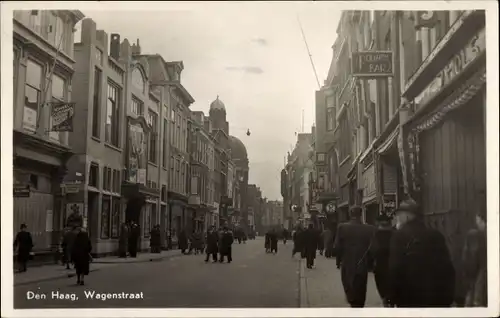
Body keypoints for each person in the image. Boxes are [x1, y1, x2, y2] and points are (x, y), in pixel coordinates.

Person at [387, 199, 455, 307]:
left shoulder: (398, 237)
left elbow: (395, 268)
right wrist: (448, 296)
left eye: (399, 215)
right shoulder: (436, 235)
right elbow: (447, 267)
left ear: (407, 216)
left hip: (408, 298)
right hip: (436, 297)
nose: (397, 218)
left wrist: (391, 297)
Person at [334, 206, 376, 308]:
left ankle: (352, 303)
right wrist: (370, 264)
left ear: (350, 214)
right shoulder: (370, 229)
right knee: (361, 289)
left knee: (349, 286)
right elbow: (373, 248)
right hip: (362, 264)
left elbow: (337, 247)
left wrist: (338, 261)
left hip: (347, 263)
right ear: (361, 214)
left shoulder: (342, 227)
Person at [462, 206, 487, 307]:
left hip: (477, 273)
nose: (476, 222)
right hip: (482, 270)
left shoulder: (475, 235)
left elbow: (470, 259)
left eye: (477, 219)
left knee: (474, 296)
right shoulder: (481, 234)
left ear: (481, 219)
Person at [370, 214, 395, 307]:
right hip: (393, 263)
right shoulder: (395, 233)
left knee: (381, 283)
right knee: (392, 283)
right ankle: (391, 300)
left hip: (380, 264)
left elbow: (372, 249)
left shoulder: (375, 234)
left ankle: (385, 300)